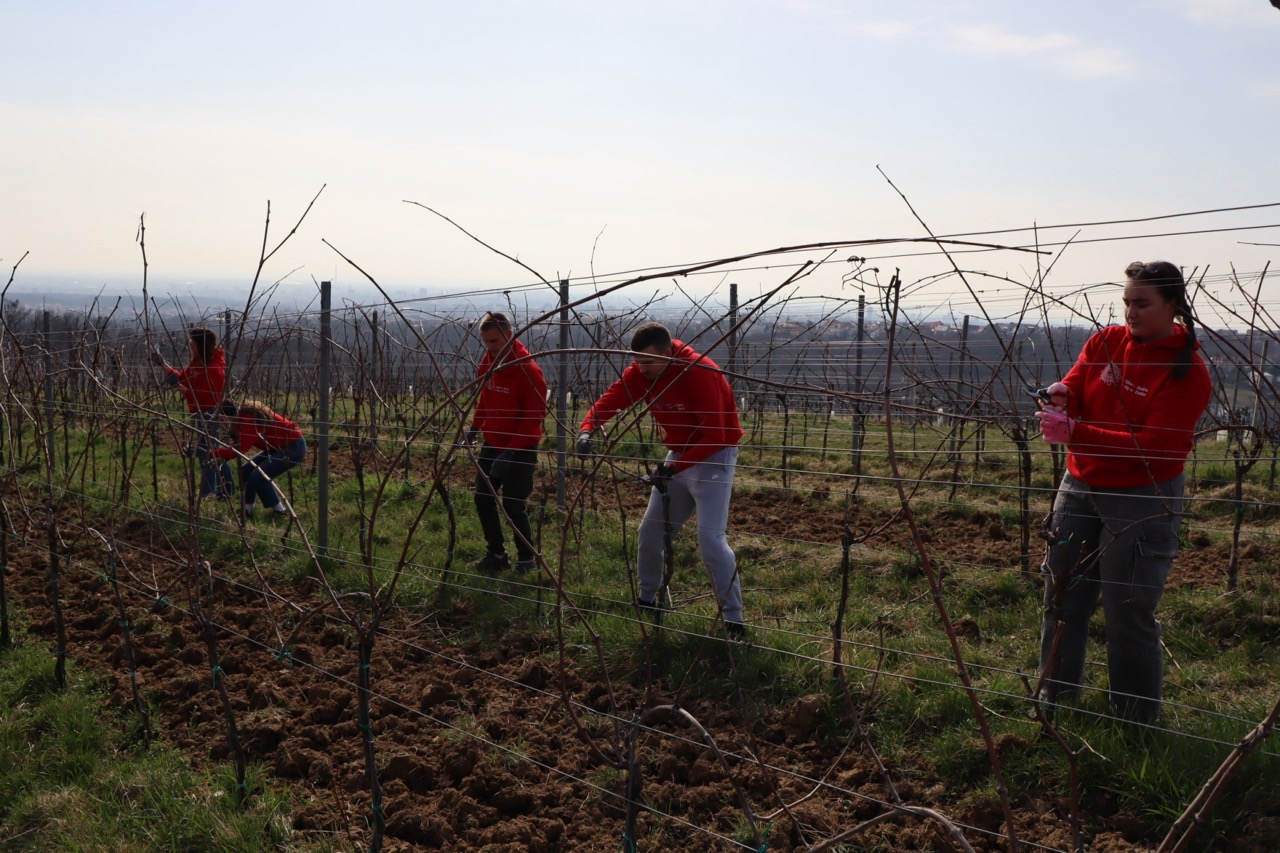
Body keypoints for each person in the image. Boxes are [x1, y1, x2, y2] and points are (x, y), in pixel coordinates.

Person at [1035, 260, 1212, 722]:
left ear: (1172, 305)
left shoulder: (1186, 370)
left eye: (1142, 303)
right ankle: (1054, 702)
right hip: (1080, 485)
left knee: (1128, 609)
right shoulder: (1105, 341)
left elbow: (1156, 448)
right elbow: (1075, 384)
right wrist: (1060, 396)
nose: (1130, 312)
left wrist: (1075, 430)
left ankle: (1133, 721)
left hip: (1142, 495)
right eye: (1127, 302)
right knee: (1062, 596)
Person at [576, 322, 746, 638]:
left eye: (649, 363)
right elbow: (611, 400)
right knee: (650, 532)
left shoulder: (700, 372)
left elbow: (716, 435)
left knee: (711, 540)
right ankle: (648, 598)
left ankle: (733, 620)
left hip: (714, 457)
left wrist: (673, 470)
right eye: (637, 363)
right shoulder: (643, 371)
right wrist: (587, 429)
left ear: (668, 354)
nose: (642, 370)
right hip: (678, 456)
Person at [464, 312, 548, 574]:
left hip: (521, 448)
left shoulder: (528, 370)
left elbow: (535, 416)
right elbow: (486, 400)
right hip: (493, 443)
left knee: (513, 504)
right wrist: (475, 428)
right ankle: (497, 554)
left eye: (495, 341)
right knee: (483, 498)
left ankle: (527, 559)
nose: (490, 348)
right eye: (486, 342)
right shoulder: (488, 362)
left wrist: (511, 451)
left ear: (509, 336)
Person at [151, 326, 234, 498]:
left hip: (210, 413)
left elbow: (202, 397)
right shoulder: (199, 362)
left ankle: (209, 494)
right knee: (211, 451)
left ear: (200, 344)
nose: (190, 345)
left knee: (208, 452)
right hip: (201, 413)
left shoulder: (213, 368)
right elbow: (184, 377)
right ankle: (226, 491)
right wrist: (163, 364)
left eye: (192, 342)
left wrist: (178, 387)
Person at [212, 399, 307, 517]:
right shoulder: (241, 417)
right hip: (276, 446)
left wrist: (213, 453)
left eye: (222, 419)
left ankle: (279, 511)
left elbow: (239, 450)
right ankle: (247, 510)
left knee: (257, 476)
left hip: (293, 446)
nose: (221, 424)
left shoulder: (248, 420)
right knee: (245, 471)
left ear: (228, 416)